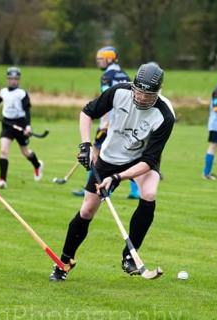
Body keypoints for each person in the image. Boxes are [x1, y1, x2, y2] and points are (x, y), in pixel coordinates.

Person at [49, 62, 175, 281]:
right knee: (87, 210)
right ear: (134, 86)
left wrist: (117, 178)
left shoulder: (165, 115)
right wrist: (86, 145)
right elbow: (87, 112)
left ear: (158, 92)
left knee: (149, 193)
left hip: (140, 160)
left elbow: (150, 160)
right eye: (140, 91)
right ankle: (64, 262)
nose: (142, 97)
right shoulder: (119, 92)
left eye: (149, 94)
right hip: (110, 157)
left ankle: (130, 256)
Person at [72, 46, 140, 199]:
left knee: (94, 154)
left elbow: (107, 103)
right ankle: (135, 191)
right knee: (129, 155)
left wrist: (104, 125)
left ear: (109, 59)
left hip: (111, 123)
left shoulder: (107, 77)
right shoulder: (125, 74)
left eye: (100, 59)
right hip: (127, 122)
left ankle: (90, 188)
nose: (98, 62)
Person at [0, 67, 43, 189]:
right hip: (6, 123)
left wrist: (28, 126)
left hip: (20, 123)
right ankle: (2, 180)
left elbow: (27, 111)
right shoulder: (3, 92)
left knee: (25, 152)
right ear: (7, 79)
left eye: (16, 79)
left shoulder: (22, 93)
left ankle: (37, 165)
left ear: (18, 80)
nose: (13, 81)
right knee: (3, 151)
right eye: (11, 78)